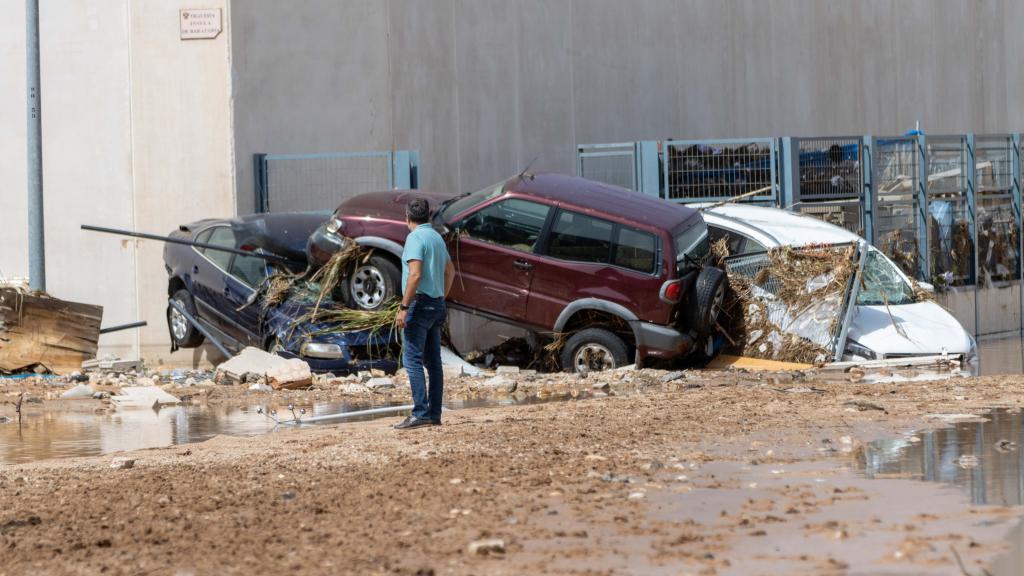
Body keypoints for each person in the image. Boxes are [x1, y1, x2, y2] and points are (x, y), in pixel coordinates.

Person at [393, 198, 456, 430]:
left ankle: (420, 412)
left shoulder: (415, 237)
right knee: (433, 363)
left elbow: (415, 275)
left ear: (407, 218)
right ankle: (434, 414)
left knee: (412, 360)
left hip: (419, 305)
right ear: (428, 216)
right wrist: (440, 296)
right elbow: (450, 271)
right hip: (437, 303)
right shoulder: (437, 237)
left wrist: (403, 307)